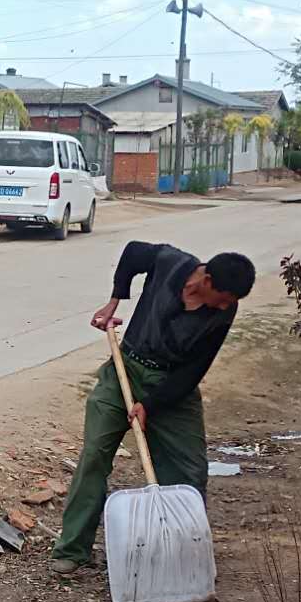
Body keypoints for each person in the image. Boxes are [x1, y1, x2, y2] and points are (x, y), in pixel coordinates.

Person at [49, 242, 255, 576]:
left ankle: (181, 555)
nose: (227, 306)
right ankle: (73, 549)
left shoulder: (222, 313)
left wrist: (152, 404)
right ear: (207, 280)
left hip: (172, 386)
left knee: (190, 470)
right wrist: (115, 298)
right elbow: (132, 253)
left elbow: (193, 370)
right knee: (94, 458)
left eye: (232, 302)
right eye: (226, 297)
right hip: (124, 369)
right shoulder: (171, 263)